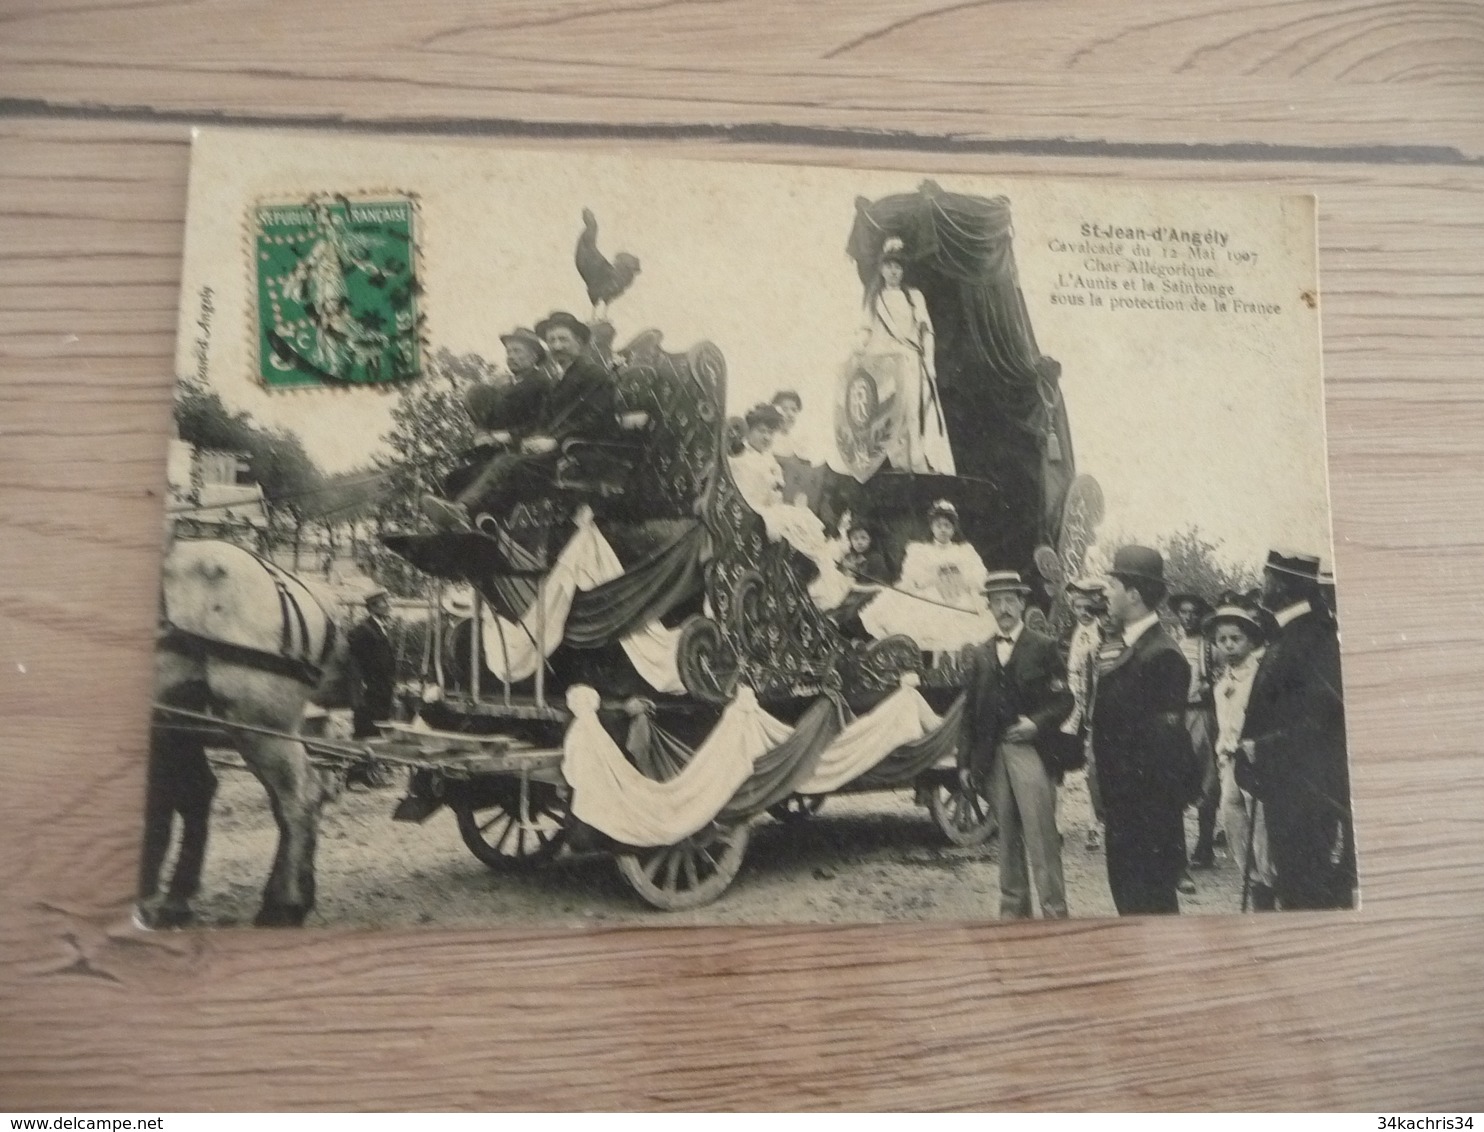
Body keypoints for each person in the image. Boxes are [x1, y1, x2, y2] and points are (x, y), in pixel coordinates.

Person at [424, 312, 620, 530]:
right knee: (505, 463)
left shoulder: (593, 374)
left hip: (584, 455)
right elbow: (543, 423)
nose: (556, 346)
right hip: (559, 453)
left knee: (508, 463)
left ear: (580, 342)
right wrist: (531, 440)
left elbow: (598, 418)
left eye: (563, 339)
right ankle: (482, 526)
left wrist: (555, 441)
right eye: (552, 340)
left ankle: (463, 511)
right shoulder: (558, 382)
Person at [1237, 550, 1352, 910]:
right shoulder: (1289, 632)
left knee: (1304, 890)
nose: (1261, 584)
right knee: (1293, 883)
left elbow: (1323, 718)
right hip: (1289, 786)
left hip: (1308, 791)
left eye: (1266, 577)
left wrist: (1262, 748)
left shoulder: (1315, 637)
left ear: (1285, 585)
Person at [958, 571, 1074, 919]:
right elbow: (969, 714)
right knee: (1006, 837)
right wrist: (965, 763)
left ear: (1022, 603)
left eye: (1011, 600)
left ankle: (1055, 913)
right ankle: (1014, 914)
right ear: (989, 607)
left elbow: (1064, 700)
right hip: (993, 757)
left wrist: (1035, 724)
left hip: (1032, 753)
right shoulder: (980, 654)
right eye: (997, 601)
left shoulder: (1044, 646)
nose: (1004, 607)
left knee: (1041, 836)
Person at [1091, 546, 1197, 915]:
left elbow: (1164, 754)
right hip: (1124, 810)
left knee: (1150, 909)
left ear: (1133, 595)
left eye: (1112, 584)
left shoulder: (1163, 656)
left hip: (1146, 817)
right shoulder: (1127, 646)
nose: (1106, 592)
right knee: (1131, 907)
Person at [728, 403, 853, 610]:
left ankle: (817, 584)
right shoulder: (740, 460)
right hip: (749, 511)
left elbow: (775, 494)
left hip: (767, 509)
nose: (767, 437)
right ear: (748, 432)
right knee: (795, 523)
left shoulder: (768, 459)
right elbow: (744, 495)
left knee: (805, 524)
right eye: (761, 431)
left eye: (770, 433)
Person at [856, 236, 954, 475]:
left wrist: (929, 362)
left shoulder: (914, 296)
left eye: (898, 266)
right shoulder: (874, 298)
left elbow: (926, 332)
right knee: (888, 415)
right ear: (881, 268)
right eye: (889, 265)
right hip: (882, 363)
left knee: (912, 413)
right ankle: (896, 464)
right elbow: (865, 331)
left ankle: (917, 463)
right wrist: (858, 351)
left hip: (909, 360)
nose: (893, 271)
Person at [1205, 602, 1275, 909]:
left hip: (1256, 763)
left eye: (1237, 639)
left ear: (1250, 642)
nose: (1230, 646)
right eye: (1223, 640)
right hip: (1230, 761)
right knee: (1233, 819)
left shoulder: (1259, 677)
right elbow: (1224, 725)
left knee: (1261, 825)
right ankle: (1253, 879)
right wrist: (1222, 755)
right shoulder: (1222, 685)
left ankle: (1269, 882)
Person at [858, 499, 992, 652]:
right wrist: (934, 576)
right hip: (929, 594)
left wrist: (959, 576)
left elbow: (978, 575)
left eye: (947, 526)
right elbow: (912, 577)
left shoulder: (964, 551)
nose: (943, 530)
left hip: (957, 595)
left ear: (953, 529)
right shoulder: (920, 550)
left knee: (959, 633)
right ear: (932, 527)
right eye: (939, 525)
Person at [1170, 590, 1220, 874]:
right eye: (1184, 612)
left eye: (1193, 613)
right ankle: (1176, 847)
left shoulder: (1208, 647)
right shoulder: (1176, 644)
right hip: (1179, 715)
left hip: (1202, 714)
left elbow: (1221, 678)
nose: (1188, 617)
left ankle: (1205, 845)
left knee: (1206, 778)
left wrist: (1207, 688)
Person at [1061, 576, 1107, 851]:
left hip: (1095, 705)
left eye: (1090, 607)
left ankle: (1094, 826)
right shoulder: (1068, 635)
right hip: (1069, 705)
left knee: (1094, 766)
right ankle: (1057, 825)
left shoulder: (1105, 635)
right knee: (1061, 763)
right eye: (1079, 607)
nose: (1084, 613)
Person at [346, 588, 397, 787]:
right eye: (384, 602)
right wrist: (360, 691)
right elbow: (356, 666)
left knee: (376, 733)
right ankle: (355, 777)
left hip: (381, 691)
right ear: (373, 607)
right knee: (365, 732)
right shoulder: (363, 631)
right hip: (369, 692)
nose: (388, 605)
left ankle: (371, 775)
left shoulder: (380, 628)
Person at [837, 519, 887, 583]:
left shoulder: (876, 559)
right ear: (850, 541)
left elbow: (879, 583)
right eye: (855, 538)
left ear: (870, 540)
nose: (859, 542)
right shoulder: (848, 557)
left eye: (863, 538)